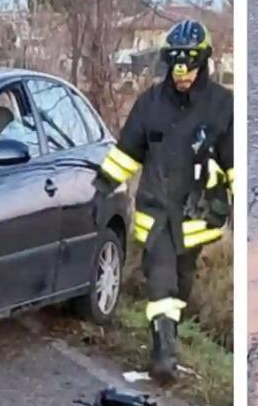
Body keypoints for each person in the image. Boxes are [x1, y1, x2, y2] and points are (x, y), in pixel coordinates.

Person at [98, 19, 234, 383]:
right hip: (156, 212)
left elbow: (233, 161)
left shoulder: (222, 106)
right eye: (176, 66)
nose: (182, 75)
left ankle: (170, 337)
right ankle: (163, 356)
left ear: (202, 63)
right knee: (160, 282)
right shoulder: (149, 105)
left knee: (182, 283)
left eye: (189, 67)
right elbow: (126, 154)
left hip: (196, 218)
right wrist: (100, 188)